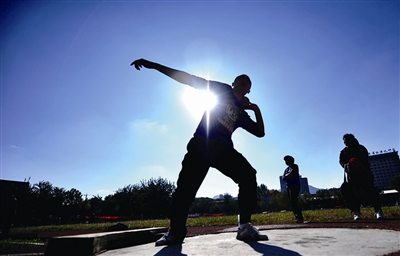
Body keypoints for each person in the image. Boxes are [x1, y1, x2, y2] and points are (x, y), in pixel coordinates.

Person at [131, 58, 268, 245]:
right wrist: (154, 65)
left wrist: (255, 109)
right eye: (240, 79)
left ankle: (244, 227)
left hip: (222, 150)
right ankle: (175, 233)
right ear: (233, 83)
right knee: (184, 192)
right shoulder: (222, 90)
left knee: (248, 175)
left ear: (248, 91)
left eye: (247, 82)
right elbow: (189, 79)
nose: (244, 81)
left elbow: (260, 133)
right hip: (201, 146)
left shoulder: (242, 115)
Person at [339, 133, 384, 220]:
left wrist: (359, 164)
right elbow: (341, 162)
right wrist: (345, 165)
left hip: (364, 173)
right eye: (344, 141)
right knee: (350, 192)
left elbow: (365, 159)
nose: (345, 142)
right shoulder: (344, 152)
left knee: (371, 190)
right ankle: (356, 212)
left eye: (347, 140)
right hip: (351, 175)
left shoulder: (361, 148)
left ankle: (378, 210)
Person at [282, 155, 304, 223]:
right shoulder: (286, 169)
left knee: (294, 199)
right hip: (288, 186)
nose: (286, 162)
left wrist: (287, 177)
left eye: (287, 160)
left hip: (295, 185)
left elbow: (291, 174)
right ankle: (296, 216)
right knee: (291, 202)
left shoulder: (295, 166)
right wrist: (286, 177)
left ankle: (300, 216)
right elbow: (283, 177)